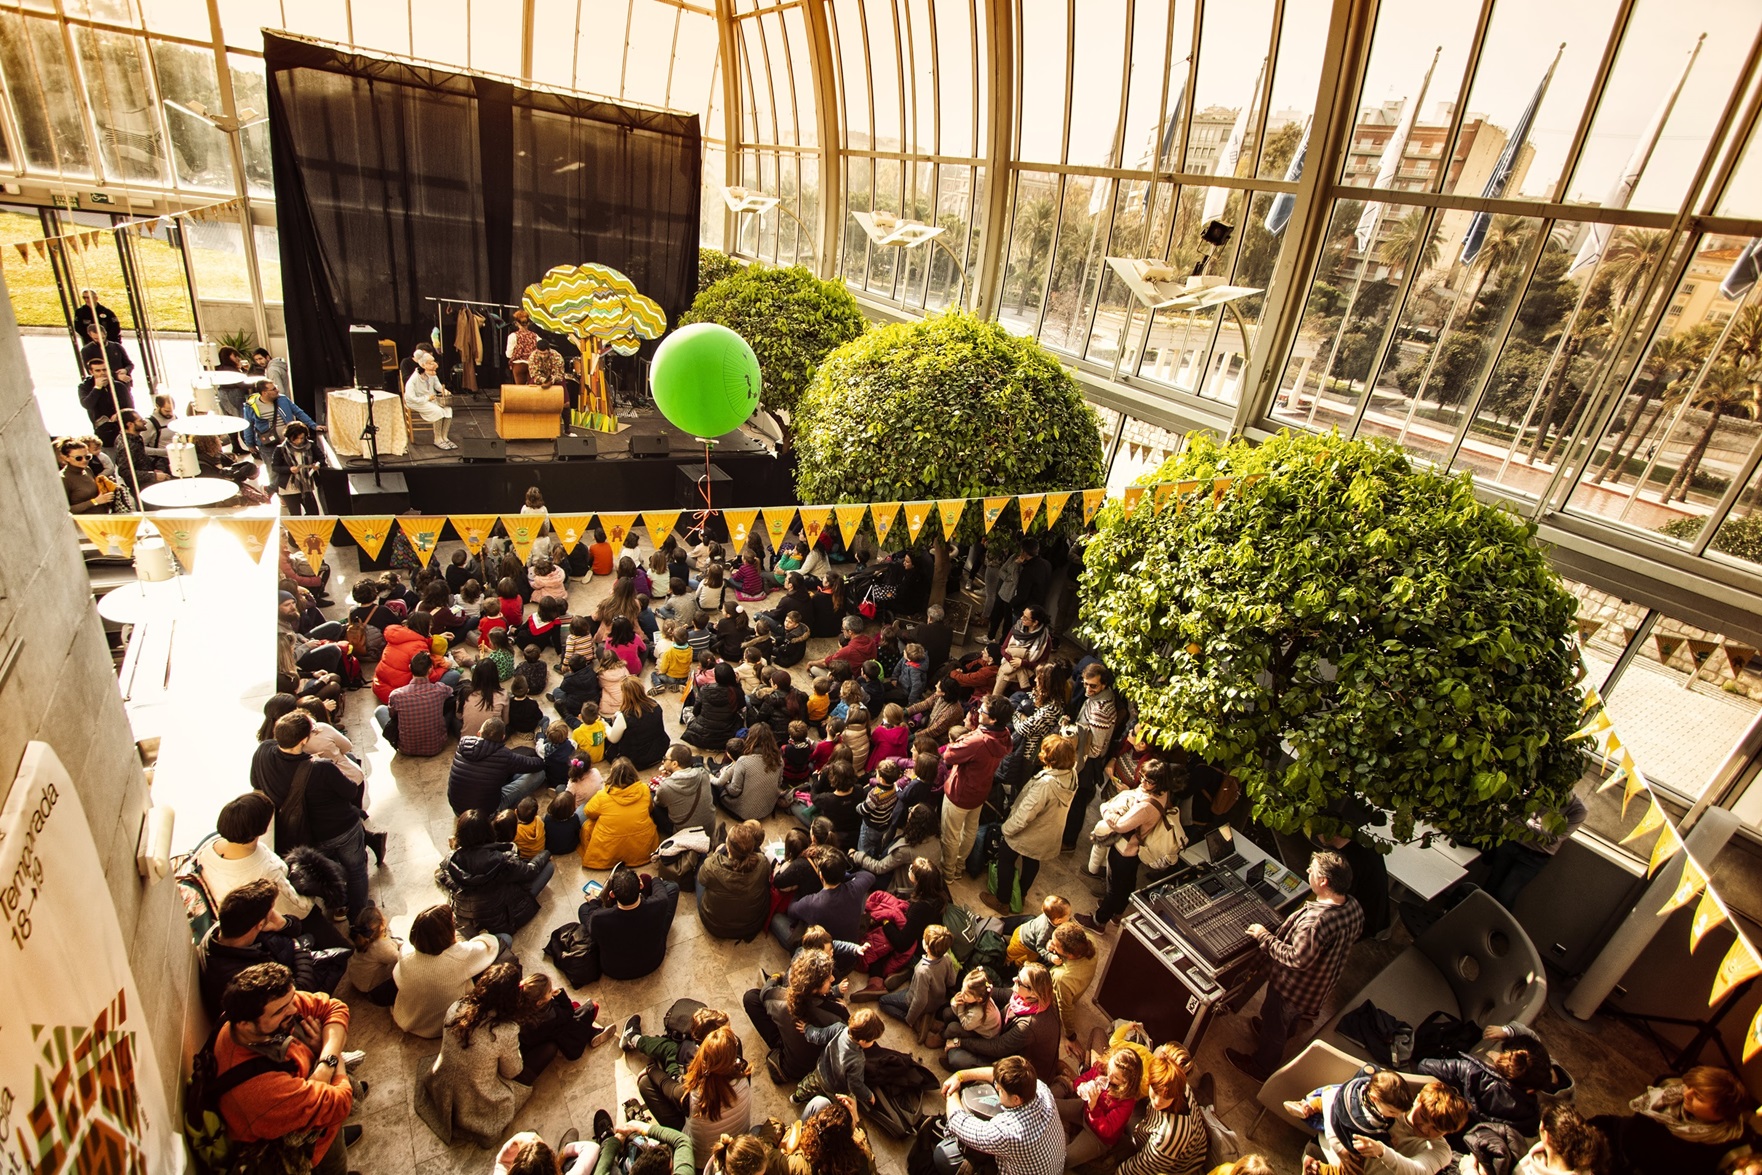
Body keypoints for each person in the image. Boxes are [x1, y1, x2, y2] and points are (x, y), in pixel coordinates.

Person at [1227, 850, 1365, 1081]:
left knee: (1276, 1022)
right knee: (1287, 1020)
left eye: (1313, 870)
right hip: (1317, 987)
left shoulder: (1316, 922)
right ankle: (1281, 1033)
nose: (1308, 871)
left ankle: (1261, 1066)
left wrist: (1263, 936)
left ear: (1323, 881)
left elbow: (1296, 958)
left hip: (1291, 989)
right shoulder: (1353, 906)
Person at [210, 963, 358, 1175]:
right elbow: (340, 1102)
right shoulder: (259, 1091)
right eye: (282, 1010)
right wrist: (337, 1061)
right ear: (246, 1025)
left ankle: (336, 1136)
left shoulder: (262, 1014)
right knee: (332, 1167)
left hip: (308, 1102)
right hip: (305, 1147)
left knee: (334, 1137)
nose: (295, 1009)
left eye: (291, 999)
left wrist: (325, 1062)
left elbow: (334, 1008)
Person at [250, 711, 371, 918]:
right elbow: (350, 791)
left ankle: (340, 905)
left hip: (306, 834)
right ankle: (359, 917)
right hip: (340, 829)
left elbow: (255, 782)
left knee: (328, 873)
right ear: (304, 739)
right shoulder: (320, 768)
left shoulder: (263, 752)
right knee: (356, 869)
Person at [416, 962, 533, 1146]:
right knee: (542, 1056)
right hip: (477, 1101)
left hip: (440, 1083)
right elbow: (512, 1071)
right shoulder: (506, 1031)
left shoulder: (457, 1006)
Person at [197, 880, 350, 1019]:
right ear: (259, 925)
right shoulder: (242, 977)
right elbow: (295, 992)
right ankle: (313, 1015)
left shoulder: (228, 928)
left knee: (320, 943)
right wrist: (300, 949)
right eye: (271, 913)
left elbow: (296, 929)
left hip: (284, 957)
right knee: (338, 959)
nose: (274, 914)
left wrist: (284, 924)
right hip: (285, 989)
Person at [1589, 1067, 1754, 1175]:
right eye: (1690, 1087)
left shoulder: (1732, 1142)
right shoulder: (1670, 1089)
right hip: (1621, 1141)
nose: (1686, 1094)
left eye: (1699, 1097)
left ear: (1721, 1114)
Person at [1078, 756, 1177, 933]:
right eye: (1142, 776)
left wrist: (1107, 810)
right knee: (1127, 882)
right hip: (1137, 848)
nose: (1143, 782)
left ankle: (1099, 921)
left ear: (1159, 782)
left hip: (1125, 849)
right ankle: (1118, 912)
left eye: (1148, 780)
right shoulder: (1163, 794)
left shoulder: (1146, 807)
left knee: (1113, 887)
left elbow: (1121, 825)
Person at [985, 732, 1079, 916]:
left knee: (1005, 856)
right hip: (1048, 831)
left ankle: (1002, 900)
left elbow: (1025, 814)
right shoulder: (1072, 773)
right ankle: (1022, 893)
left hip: (1031, 830)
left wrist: (1007, 829)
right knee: (1032, 860)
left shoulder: (1046, 784)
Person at [1416, 1023, 1562, 1137]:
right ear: (1531, 1090)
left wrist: (1454, 1090)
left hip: (1433, 1123)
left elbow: (1424, 1066)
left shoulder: (1469, 1070)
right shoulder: (1530, 1119)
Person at [393, 904, 507, 1038]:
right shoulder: (458, 956)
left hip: (407, 1017)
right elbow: (490, 945)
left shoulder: (406, 951)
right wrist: (482, 935)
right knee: (505, 938)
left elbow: (398, 976)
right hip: (438, 1026)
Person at [196, 792, 314, 919]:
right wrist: (313, 895)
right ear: (263, 828)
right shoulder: (265, 873)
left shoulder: (208, 849)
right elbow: (297, 910)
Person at [436, 809, 554, 936]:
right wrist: (545, 853)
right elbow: (531, 871)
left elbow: (441, 874)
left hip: (468, 919)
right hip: (504, 918)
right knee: (548, 867)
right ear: (489, 829)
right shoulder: (504, 860)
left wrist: (462, 886)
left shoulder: (452, 859)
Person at [942, 1055, 1066, 1175]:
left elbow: (958, 1122)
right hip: (1054, 1168)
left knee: (943, 1156)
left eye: (1000, 1090)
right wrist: (959, 1076)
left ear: (1016, 1099)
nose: (996, 1087)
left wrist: (952, 1093)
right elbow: (993, 1075)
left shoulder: (1009, 1132)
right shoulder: (1041, 1089)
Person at [1314, 1081, 1469, 1175]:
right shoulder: (1392, 1105)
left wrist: (1382, 1151)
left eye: (1436, 1129)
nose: (1425, 1128)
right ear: (1417, 1100)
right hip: (1329, 1151)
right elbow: (1331, 1096)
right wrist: (1338, 1146)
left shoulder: (1441, 1151)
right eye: (1423, 1116)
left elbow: (1418, 1171)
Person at [944, 962, 1063, 1082]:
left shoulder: (1029, 1026)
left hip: (1019, 1069)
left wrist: (959, 1042)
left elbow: (998, 1047)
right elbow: (1000, 994)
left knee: (956, 1058)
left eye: (1019, 981)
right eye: (1018, 975)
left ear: (1033, 992)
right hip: (1002, 1037)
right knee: (950, 1016)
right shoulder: (1027, 998)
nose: (1014, 979)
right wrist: (975, 989)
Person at [939, 697, 1013, 883]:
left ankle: (948, 872)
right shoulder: (1004, 735)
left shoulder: (978, 741)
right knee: (969, 831)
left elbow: (949, 755)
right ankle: (959, 866)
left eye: (983, 711)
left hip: (960, 792)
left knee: (951, 834)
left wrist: (966, 737)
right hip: (980, 791)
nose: (979, 712)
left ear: (993, 719)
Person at [1483, 793, 1589, 910]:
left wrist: (1526, 820)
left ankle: (1497, 926)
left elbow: (1553, 838)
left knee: (1505, 895)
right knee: (1490, 887)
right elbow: (1511, 814)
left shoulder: (1578, 809)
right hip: (1511, 843)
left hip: (1534, 857)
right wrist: (1539, 826)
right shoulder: (1539, 790)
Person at [1116, 1044, 1209, 1175]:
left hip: (1164, 1162)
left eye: (1167, 1096)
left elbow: (1140, 1169)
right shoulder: (1174, 1077)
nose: (1158, 1101)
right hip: (1150, 1133)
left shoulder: (1170, 1135)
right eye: (1155, 1090)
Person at [580, 864, 679, 980]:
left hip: (614, 970)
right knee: (672, 887)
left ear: (612, 894)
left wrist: (593, 902)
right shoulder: (659, 902)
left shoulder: (599, 917)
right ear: (640, 885)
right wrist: (656, 879)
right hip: (653, 961)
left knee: (583, 909)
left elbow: (592, 925)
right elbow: (661, 889)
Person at [1057, 1046, 1144, 1166]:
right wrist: (1081, 1086)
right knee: (1052, 1106)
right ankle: (1067, 1126)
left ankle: (1066, 1129)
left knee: (1063, 1161)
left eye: (1115, 1077)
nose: (1108, 1077)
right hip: (1084, 1109)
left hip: (1098, 1136)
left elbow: (1107, 1130)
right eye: (1110, 1070)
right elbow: (1081, 1079)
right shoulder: (1102, 1067)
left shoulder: (1126, 1102)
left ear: (1126, 1083)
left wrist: (1093, 1108)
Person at [773, 849, 876, 949]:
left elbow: (791, 910)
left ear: (821, 875)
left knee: (776, 919)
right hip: (850, 953)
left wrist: (798, 890)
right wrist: (845, 877)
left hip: (825, 957)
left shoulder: (812, 902)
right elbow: (869, 876)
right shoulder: (855, 889)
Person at [447, 718, 548, 815]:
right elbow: (533, 765)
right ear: (503, 737)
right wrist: (545, 760)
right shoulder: (504, 755)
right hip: (485, 813)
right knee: (540, 774)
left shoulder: (463, 743)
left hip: (457, 809)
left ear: (479, 733)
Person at [696, 818, 773, 940]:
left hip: (716, 927)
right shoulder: (763, 861)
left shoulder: (712, 865)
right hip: (751, 926)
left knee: (701, 870)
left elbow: (701, 879)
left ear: (727, 846)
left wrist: (716, 855)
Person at [798, 1008, 885, 1112]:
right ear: (863, 1041)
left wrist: (807, 1028)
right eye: (873, 1041)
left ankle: (796, 1097)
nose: (873, 1043)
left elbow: (819, 1036)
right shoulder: (858, 1059)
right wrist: (869, 1095)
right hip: (834, 1089)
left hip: (819, 1072)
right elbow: (855, 1085)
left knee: (806, 1086)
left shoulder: (839, 1028)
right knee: (844, 1106)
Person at [580, 758, 661, 868]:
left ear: (612, 775)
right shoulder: (644, 789)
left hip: (608, 851)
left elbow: (588, 812)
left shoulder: (602, 796)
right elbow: (649, 809)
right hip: (643, 850)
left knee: (586, 821)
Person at [377, 651, 459, 755]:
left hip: (406, 749)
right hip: (436, 747)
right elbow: (451, 694)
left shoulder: (396, 695)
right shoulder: (440, 689)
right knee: (450, 705)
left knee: (379, 710)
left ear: (410, 667)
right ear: (430, 670)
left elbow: (392, 715)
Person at [781, 1096, 872, 1175]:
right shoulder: (861, 1160)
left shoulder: (801, 1166)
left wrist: (789, 1131)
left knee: (818, 1103)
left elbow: (770, 1156)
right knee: (821, 1103)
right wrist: (856, 1120)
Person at [713, 723, 785, 822]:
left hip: (745, 813)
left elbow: (734, 791)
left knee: (717, 779)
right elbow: (779, 783)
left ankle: (715, 770)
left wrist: (725, 783)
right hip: (768, 808)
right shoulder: (779, 759)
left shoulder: (744, 761)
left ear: (750, 737)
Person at [241, 378, 323, 455]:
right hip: (268, 445)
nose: (277, 390)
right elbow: (249, 425)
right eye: (273, 389)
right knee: (274, 469)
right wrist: (250, 444)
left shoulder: (283, 399)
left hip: (289, 442)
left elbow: (299, 413)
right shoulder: (251, 406)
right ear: (264, 393)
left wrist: (314, 425)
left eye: (276, 387)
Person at [607, 678, 670, 769]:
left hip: (636, 760)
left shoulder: (625, 717)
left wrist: (606, 727)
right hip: (660, 751)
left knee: (607, 741)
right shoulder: (655, 705)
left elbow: (613, 739)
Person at [656, 745, 716, 837]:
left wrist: (665, 780)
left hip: (686, 835)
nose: (662, 761)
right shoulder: (703, 773)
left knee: (652, 801)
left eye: (665, 759)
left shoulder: (665, 786)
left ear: (674, 764)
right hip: (708, 830)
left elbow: (659, 802)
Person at [993, 606, 1053, 698]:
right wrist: (1013, 660)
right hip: (1009, 665)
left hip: (1026, 677)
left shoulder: (1045, 640)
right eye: (1022, 615)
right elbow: (1003, 649)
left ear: (1035, 622)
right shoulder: (1017, 628)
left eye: (1025, 618)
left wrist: (1022, 663)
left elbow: (1041, 665)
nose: (1021, 618)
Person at [405, 348, 458, 449]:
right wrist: (426, 398)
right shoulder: (413, 380)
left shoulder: (431, 374)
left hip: (431, 399)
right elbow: (411, 398)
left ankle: (444, 437)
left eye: (433, 361)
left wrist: (444, 391)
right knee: (438, 411)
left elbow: (437, 385)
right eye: (430, 363)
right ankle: (437, 439)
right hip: (417, 401)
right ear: (423, 365)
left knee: (448, 409)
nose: (434, 364)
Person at [273, 421, 322, 514]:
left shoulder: (310, 445)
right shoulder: (281, 449)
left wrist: (317, 465)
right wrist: (289, 469)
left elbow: (321, 458)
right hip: (289, 488)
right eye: (295, 439)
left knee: (313, 513)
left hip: (306, 485)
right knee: (295, 514)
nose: (299, 441)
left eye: (302, 438)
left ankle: (309, 529)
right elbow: (275, 467)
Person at [806, 616, 878, 679]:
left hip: (850, 680)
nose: (842, 631)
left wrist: (811, 663)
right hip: (867, 676)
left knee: (814, 669)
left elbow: (826, 662)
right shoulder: (871, 641)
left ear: (850, 632)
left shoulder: (848, 650)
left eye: (843, 629)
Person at [459, 659, 510, 737]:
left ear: (475, 675)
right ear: (495, 675)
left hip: (467, 740)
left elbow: (459, 716)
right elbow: (505, 722)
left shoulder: (464, 692)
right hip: (493, 740)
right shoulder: (503, 694)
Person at [909, 605, 955, 678]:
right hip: (940, 667)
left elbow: (908, 635)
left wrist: (897, 631)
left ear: (930, 618)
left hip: (923, 666)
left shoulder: (922, 628)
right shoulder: (949, 631)